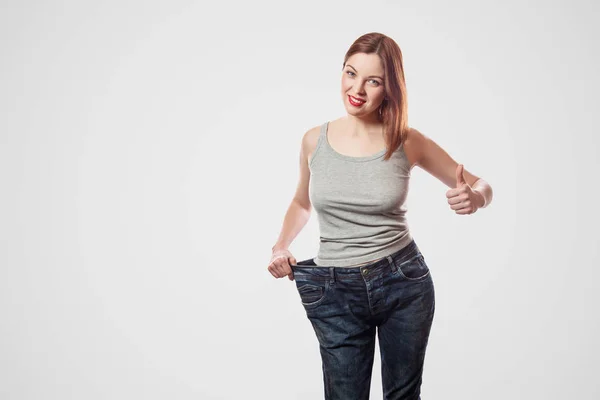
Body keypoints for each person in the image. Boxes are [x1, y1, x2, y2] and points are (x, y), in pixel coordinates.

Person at [267, 32, 493, 400]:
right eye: (350, 73)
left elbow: (481, 183)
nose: (357, 88)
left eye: (373, 80)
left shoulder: (407, 140)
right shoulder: (314, 140)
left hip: (402, 282)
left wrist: (476, 198)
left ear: (390, 87)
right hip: (334, 289)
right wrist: (280, 246)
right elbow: (301, 202)